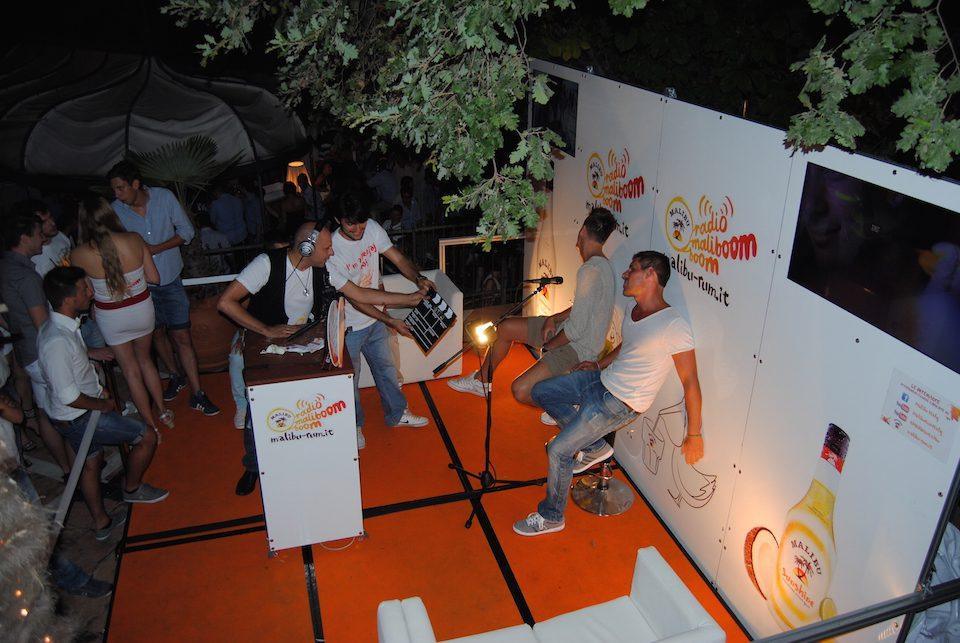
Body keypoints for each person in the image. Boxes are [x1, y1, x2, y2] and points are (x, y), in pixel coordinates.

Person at [219, 222, 426, 495]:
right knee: (261, 410)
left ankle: (305, 456)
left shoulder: (324, 268)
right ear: (307, 247)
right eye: (327, 248)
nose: (331, 253)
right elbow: (226, 302)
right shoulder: (266, 264)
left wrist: (409, 299)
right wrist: (266, 329)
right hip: (266, 346)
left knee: (306, 404)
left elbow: (360, 294)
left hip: (303, 343)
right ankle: (253, 466)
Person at [513, 251, 704, 536]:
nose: (625, 274)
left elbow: (690, 382)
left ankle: (552, 516)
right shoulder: (635, 310)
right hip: (601, 379)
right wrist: (599, 364)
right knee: (541, 391)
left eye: (632, 268)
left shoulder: (673, 326)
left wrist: (694, 434)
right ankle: (593, 447)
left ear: (650, 274)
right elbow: (628, 346)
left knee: (559, 450)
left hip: (620, 403)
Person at [38, 267, 168, 539]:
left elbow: (69, 364)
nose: (91, 293)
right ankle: (132, 489)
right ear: (69, 298)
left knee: (91, 463)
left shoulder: (60, 327)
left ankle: (101, 523)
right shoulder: (57, 341)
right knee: (146, 436)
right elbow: (69, 396)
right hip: (80, 416)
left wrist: (91, 355)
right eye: (84, 289)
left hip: (73, 415)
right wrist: (103, 404)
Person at [448, 207, 618, 414]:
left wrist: (548, 347)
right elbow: (582, 307)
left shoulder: (590, 270)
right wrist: (553, 318)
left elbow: (576, 330)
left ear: (582, 231)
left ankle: (565, 408)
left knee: (521, 390)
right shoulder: (602, 266)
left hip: (577, 348)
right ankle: (481, 380)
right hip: (567, 332)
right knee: (505, 327)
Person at [107, 161, 220, 416]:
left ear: (136, 184)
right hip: (140, 288)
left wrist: (154, 249)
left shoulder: (164, 197)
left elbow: (187, 232)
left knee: (182, 337)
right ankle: (175, 375)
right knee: (156, 335)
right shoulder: (116, 210)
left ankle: (198, 393)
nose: (117, 194)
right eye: (114, 189)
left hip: (171, 280)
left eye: (121, 188)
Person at [328, 194, 433, 447]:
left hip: (375, 320)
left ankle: (397, 414)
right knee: (350, 380)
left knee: (387, 369)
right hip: (348, 325)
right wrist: (391, 317)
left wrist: (418, 278)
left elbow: (398, 258)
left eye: (362, 223)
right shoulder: (331, 250)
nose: (358, 230)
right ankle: (354, 425)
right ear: (338, 220)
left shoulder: (372, 228)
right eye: (351, 224)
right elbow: (357, 298)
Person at [70, 195, 173, 433]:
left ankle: (150, 427)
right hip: (141, 309)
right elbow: (155, 278)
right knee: (146, 361)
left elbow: (87, 292)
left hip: (111, 316)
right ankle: (163, 411)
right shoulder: (134, 239)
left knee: (130, 371)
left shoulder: (77, 254)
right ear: (110, 215)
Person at [0, 212, 74, 475]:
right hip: (41, 353)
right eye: (38, 234)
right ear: (24, 238)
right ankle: (78, 470)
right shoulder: (26, 277)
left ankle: (68, 470)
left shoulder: (5, 267)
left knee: (45, 412)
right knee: (66, 414)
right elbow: (43, 324)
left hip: (27, 350)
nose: (43, 238)